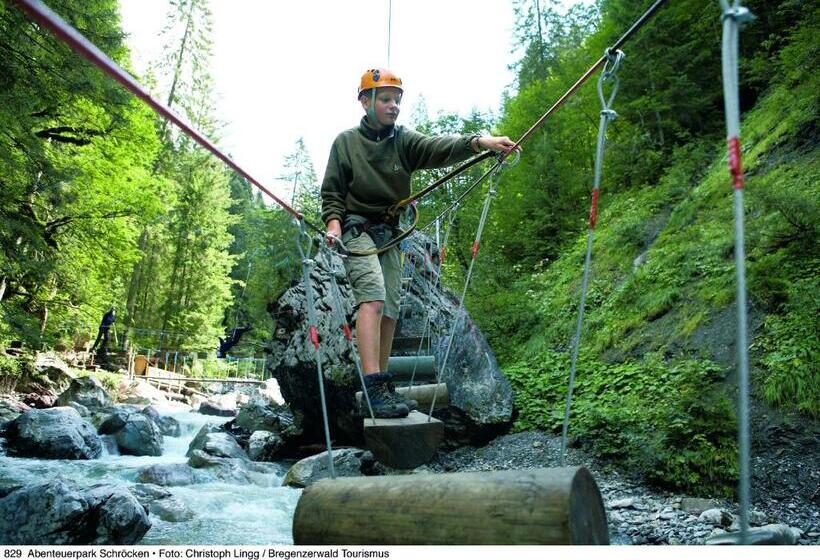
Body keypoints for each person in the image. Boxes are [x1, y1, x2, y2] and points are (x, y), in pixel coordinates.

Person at [321, 68, 518, 418]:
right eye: (385, 99)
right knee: (373, 298)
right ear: (365, 101)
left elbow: (438, 147)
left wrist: (482, 143)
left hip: (391, 233)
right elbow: (333, 192)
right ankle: (372, 388)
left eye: (397, 100)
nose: (393, 106)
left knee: (391, 310)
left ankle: (381, 388)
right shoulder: (346, 143)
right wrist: (334, 226)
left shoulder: (403, 142)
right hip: (357, 230)